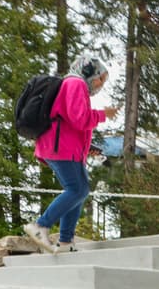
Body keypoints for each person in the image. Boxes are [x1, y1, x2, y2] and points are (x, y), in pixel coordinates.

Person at [24, 56, 118, 253]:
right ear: (88, 71)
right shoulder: (75, 83)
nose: (101, 84)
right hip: (61, 148)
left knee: (79, 191)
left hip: (66, 148)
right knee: (77, 189)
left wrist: (87, 147)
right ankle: (40, 226)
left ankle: (66, 241)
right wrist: (103, 115)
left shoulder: (73, 85)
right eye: (100, 78)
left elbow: (70, 121)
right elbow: (80, 119)